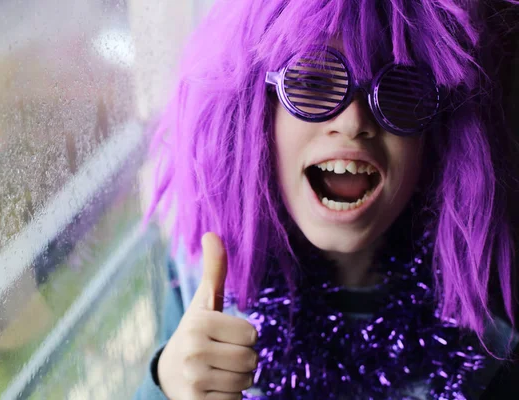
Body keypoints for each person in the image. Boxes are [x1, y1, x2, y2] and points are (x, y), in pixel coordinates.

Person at [135, 0, 519, 399]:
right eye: (313, 83)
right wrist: (167, 384)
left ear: (433, 137)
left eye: (400, 91)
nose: (353, 123)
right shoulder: (207, 272)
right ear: (255, 112)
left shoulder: (484, 325)